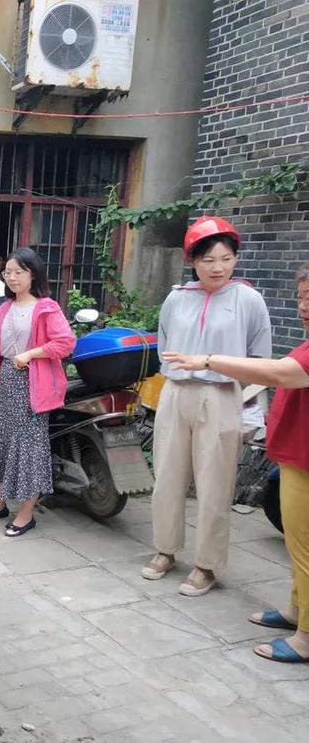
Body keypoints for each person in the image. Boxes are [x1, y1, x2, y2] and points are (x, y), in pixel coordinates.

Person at [162, 262, 309, 661]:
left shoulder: (248, 300)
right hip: (295, 455)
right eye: (300, 297)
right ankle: (297, 611)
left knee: (305, 547)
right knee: (297, 542)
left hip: (297, 452)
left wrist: (210, 361)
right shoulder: (178, 298)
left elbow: (280, 372)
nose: (303, 306)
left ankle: (306, 637)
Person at [142, 216, 272, 596]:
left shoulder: (248, 299)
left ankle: (206, 565)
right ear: (193, 260)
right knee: (167, 475)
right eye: (209, 259)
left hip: (221, 395)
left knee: (215, 483)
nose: (218, 267)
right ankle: (166, 549)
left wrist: (248, 406)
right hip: (175, 392)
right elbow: (164, 344)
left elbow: (259, 358)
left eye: (226, 258)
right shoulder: (177, 297)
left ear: (236, 259)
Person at [0, 248, 75, 537]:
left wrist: (31, 354)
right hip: (5, 380)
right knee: (1, 440)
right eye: (8, 272)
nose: (13, 277)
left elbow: (65, 343)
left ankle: (26, 513)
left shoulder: (46, 307)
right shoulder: (4, 308)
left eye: (19, 272)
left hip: (33, 383)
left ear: (33, 274)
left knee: (29, 447)